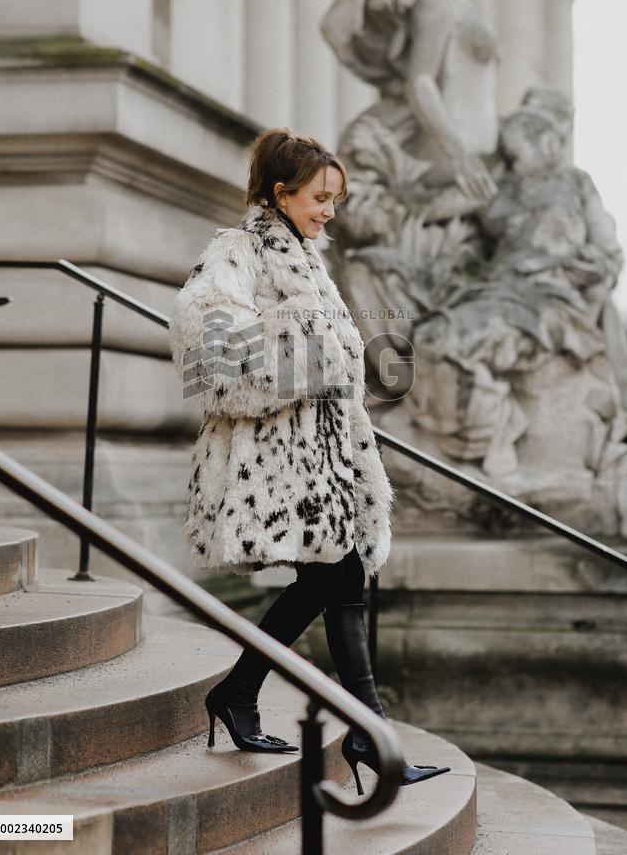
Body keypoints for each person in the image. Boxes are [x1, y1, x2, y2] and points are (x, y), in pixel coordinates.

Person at [168, 127, 449, 795]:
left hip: (324, 465)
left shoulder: (303, 258)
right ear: (280, 193)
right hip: (276, 463)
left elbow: (331, 362)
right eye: (321, 197)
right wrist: (306, 358)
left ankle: (244, 697)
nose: (330, 211)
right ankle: (367, 733)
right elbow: (202, 342)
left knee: (333, 582)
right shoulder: (237, 251)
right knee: (340, 580)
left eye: (335, 200)